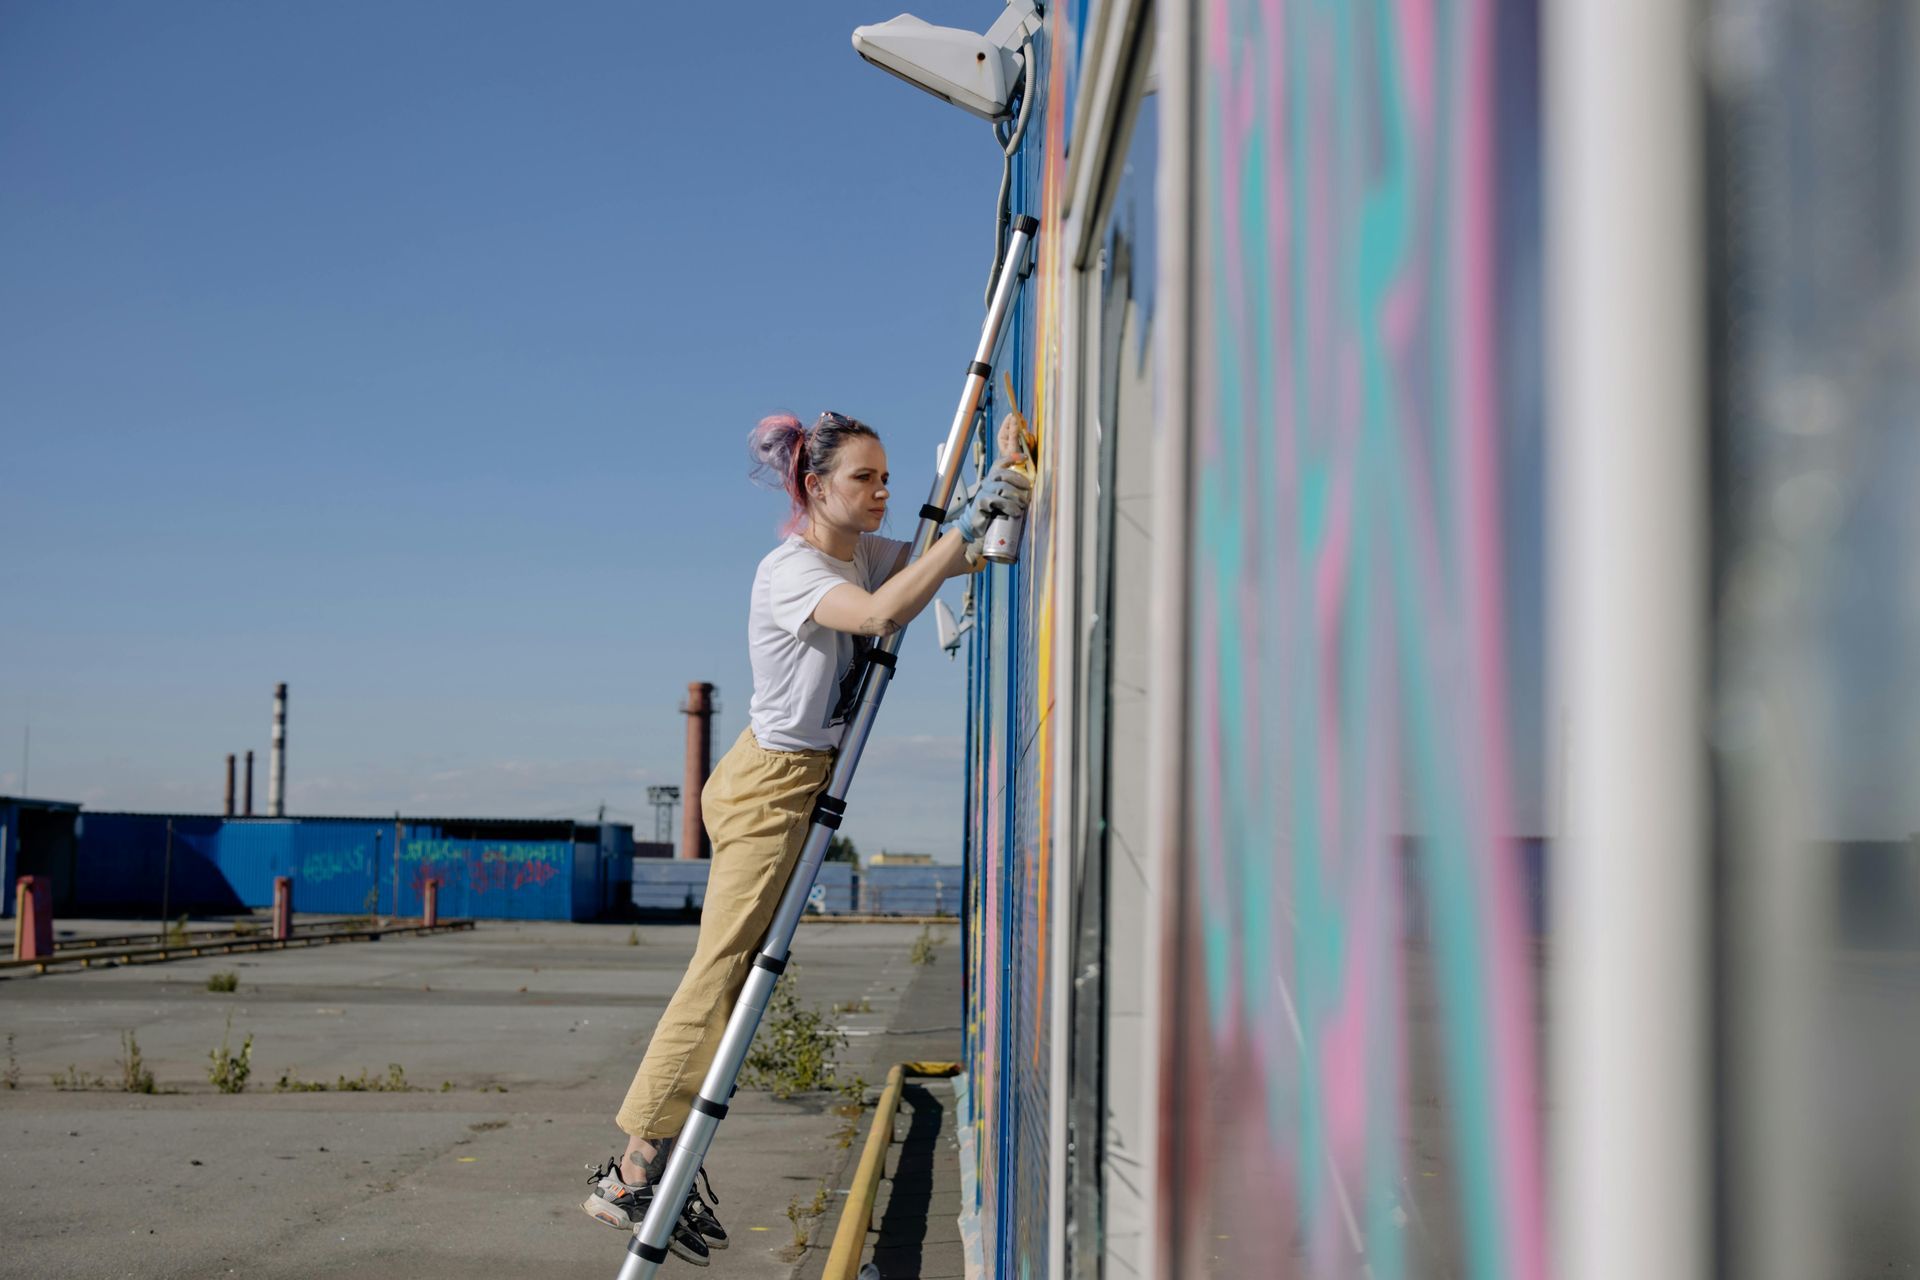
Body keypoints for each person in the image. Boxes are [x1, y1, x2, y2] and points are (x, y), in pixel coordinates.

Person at [582, 408, 1031, 1265]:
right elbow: (879, 613)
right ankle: (633, 1169)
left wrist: (994, 486)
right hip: (766, 788)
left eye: (888, 478)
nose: (883, 493)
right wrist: (963, 528)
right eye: (865, 478)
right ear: (815, 486)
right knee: (719, 970)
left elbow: (946, 558)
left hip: (796, 784)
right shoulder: (791, 571)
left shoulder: (857, 550)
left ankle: (654, 1159)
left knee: (744, 971)